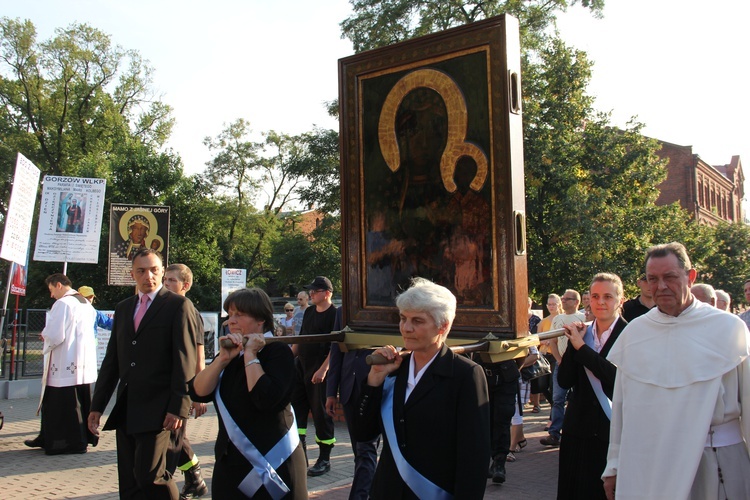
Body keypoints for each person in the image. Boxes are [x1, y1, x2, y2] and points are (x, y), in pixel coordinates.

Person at [603, 242, 750, 499]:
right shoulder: (635, 334)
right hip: (650, 462)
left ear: (690, 276)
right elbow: (623, 411)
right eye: (652, 279)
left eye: (670, 277)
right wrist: (614, 465)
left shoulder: (728, 328)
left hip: (716, 459)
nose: (660, 287)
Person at [352, 277, 490, 499]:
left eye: (417, 321)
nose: (406, 328)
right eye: (403, 318)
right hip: (388, 491)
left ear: (442, 325)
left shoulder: (465, 374)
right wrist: (374, 380)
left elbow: (474, 456)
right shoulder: (392, 369)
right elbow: (363, 432)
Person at [88, 249, 201, 499]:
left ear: (161, 272)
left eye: (154, 270)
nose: (148, 276)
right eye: (141, 271)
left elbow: (185, 359)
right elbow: (112, 362)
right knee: (129, 481)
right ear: (132, 274)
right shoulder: (124, 308)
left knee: (151, 477)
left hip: (160, 409)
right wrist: (97, 406)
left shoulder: (178, 306)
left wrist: (179, 406)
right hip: (128, 407)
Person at [189, 288, 307, 498]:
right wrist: (221, 360)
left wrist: (251, 354)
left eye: (239, 314)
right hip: (231, 461)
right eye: (230, 314)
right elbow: (197, 392)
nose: (230, 321)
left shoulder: (278, 352)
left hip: (274, 461)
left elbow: (265, 399)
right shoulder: (230, 353)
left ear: (260, 319)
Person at [556, 273, 627, 499]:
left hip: (612, 433)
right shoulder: (582, 332)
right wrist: (573, 344)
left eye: (608, 296)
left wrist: (582, 349)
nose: (600, 302)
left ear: (620, 300)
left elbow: (618, 379)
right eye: (595, 296)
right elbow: (564, 381)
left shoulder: (630, 334)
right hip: (577, 430)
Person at [25, 274, 98, 455]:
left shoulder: (63, 304)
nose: (51, 295)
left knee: (61, 405)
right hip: (82, 363)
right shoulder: (85, 303)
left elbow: (56, 335)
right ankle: (81, 438)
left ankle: (64, 442)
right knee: (80, 403)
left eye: (51, 290)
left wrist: (45, 336)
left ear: (58, 285)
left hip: (64, 363)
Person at [163, 263, 209, 499]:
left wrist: (199, 393)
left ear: (185, 285)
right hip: (165, 383)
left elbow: (198, 353)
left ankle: (194, 479)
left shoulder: (187, 309)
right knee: (173, 435)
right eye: (165, 279)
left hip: (183, 384)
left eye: (172, 280)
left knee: (174, 437)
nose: (166, 284)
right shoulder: (162, 307)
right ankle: (195, 479)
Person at [325, 306, 379, 499]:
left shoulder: (382, 309)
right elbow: (336, 350)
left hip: (375, 386)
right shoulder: (342, 312)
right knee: (360, 450)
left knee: (366, 448)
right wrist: (331, 392)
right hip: (348, 387)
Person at [292, 276, 337, 476]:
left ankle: (324, 459)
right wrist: (287, 360)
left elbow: (336, 346)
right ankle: (300, 455)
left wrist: (324, 369)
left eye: (315, 291)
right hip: (301, 368)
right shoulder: (309, 312)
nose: (311, 294)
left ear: (327, 293)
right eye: (310, 291)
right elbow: (300, 340)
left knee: (321, 414)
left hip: (320, 372)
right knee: (298, 411)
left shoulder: (335, 315)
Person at [541, 289, 584, 447]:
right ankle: (554, 434)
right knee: (557, 398)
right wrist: (559, 360)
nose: (564, 301)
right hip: (562, 364)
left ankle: (576, 432)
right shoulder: (558, 319)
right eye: (563, 298)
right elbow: (552, 340)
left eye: (568, 299)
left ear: (576, 302)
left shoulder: (583, 318)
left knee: (579, 398)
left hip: (579, 364)